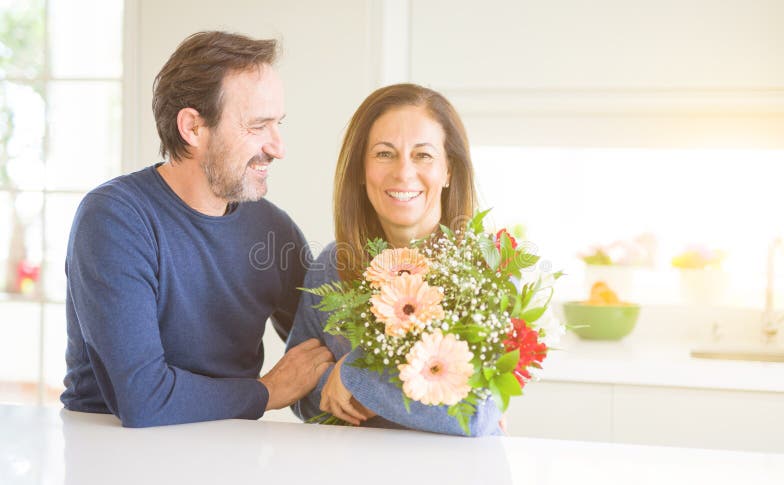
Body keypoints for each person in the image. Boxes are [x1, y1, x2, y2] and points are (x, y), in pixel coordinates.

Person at [61, 31, 334, 427]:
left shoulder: (271, 229)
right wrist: (269, 391)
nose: (278, 147)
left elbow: (328, 346)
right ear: (192, 128)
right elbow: (143, 399)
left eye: (278, 124)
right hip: (112, 449)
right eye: (258, 126)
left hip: (231, 448)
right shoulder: (114, 219)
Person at [286, 83, 502, 436]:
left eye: (423, 155)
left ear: (448, 170)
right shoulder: (332, 264)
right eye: (384, 154)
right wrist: (336, 383)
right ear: (360, 169)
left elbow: (476, 415)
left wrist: (354, 375)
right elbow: (302, 390)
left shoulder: (486, 266)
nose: (403, 172)